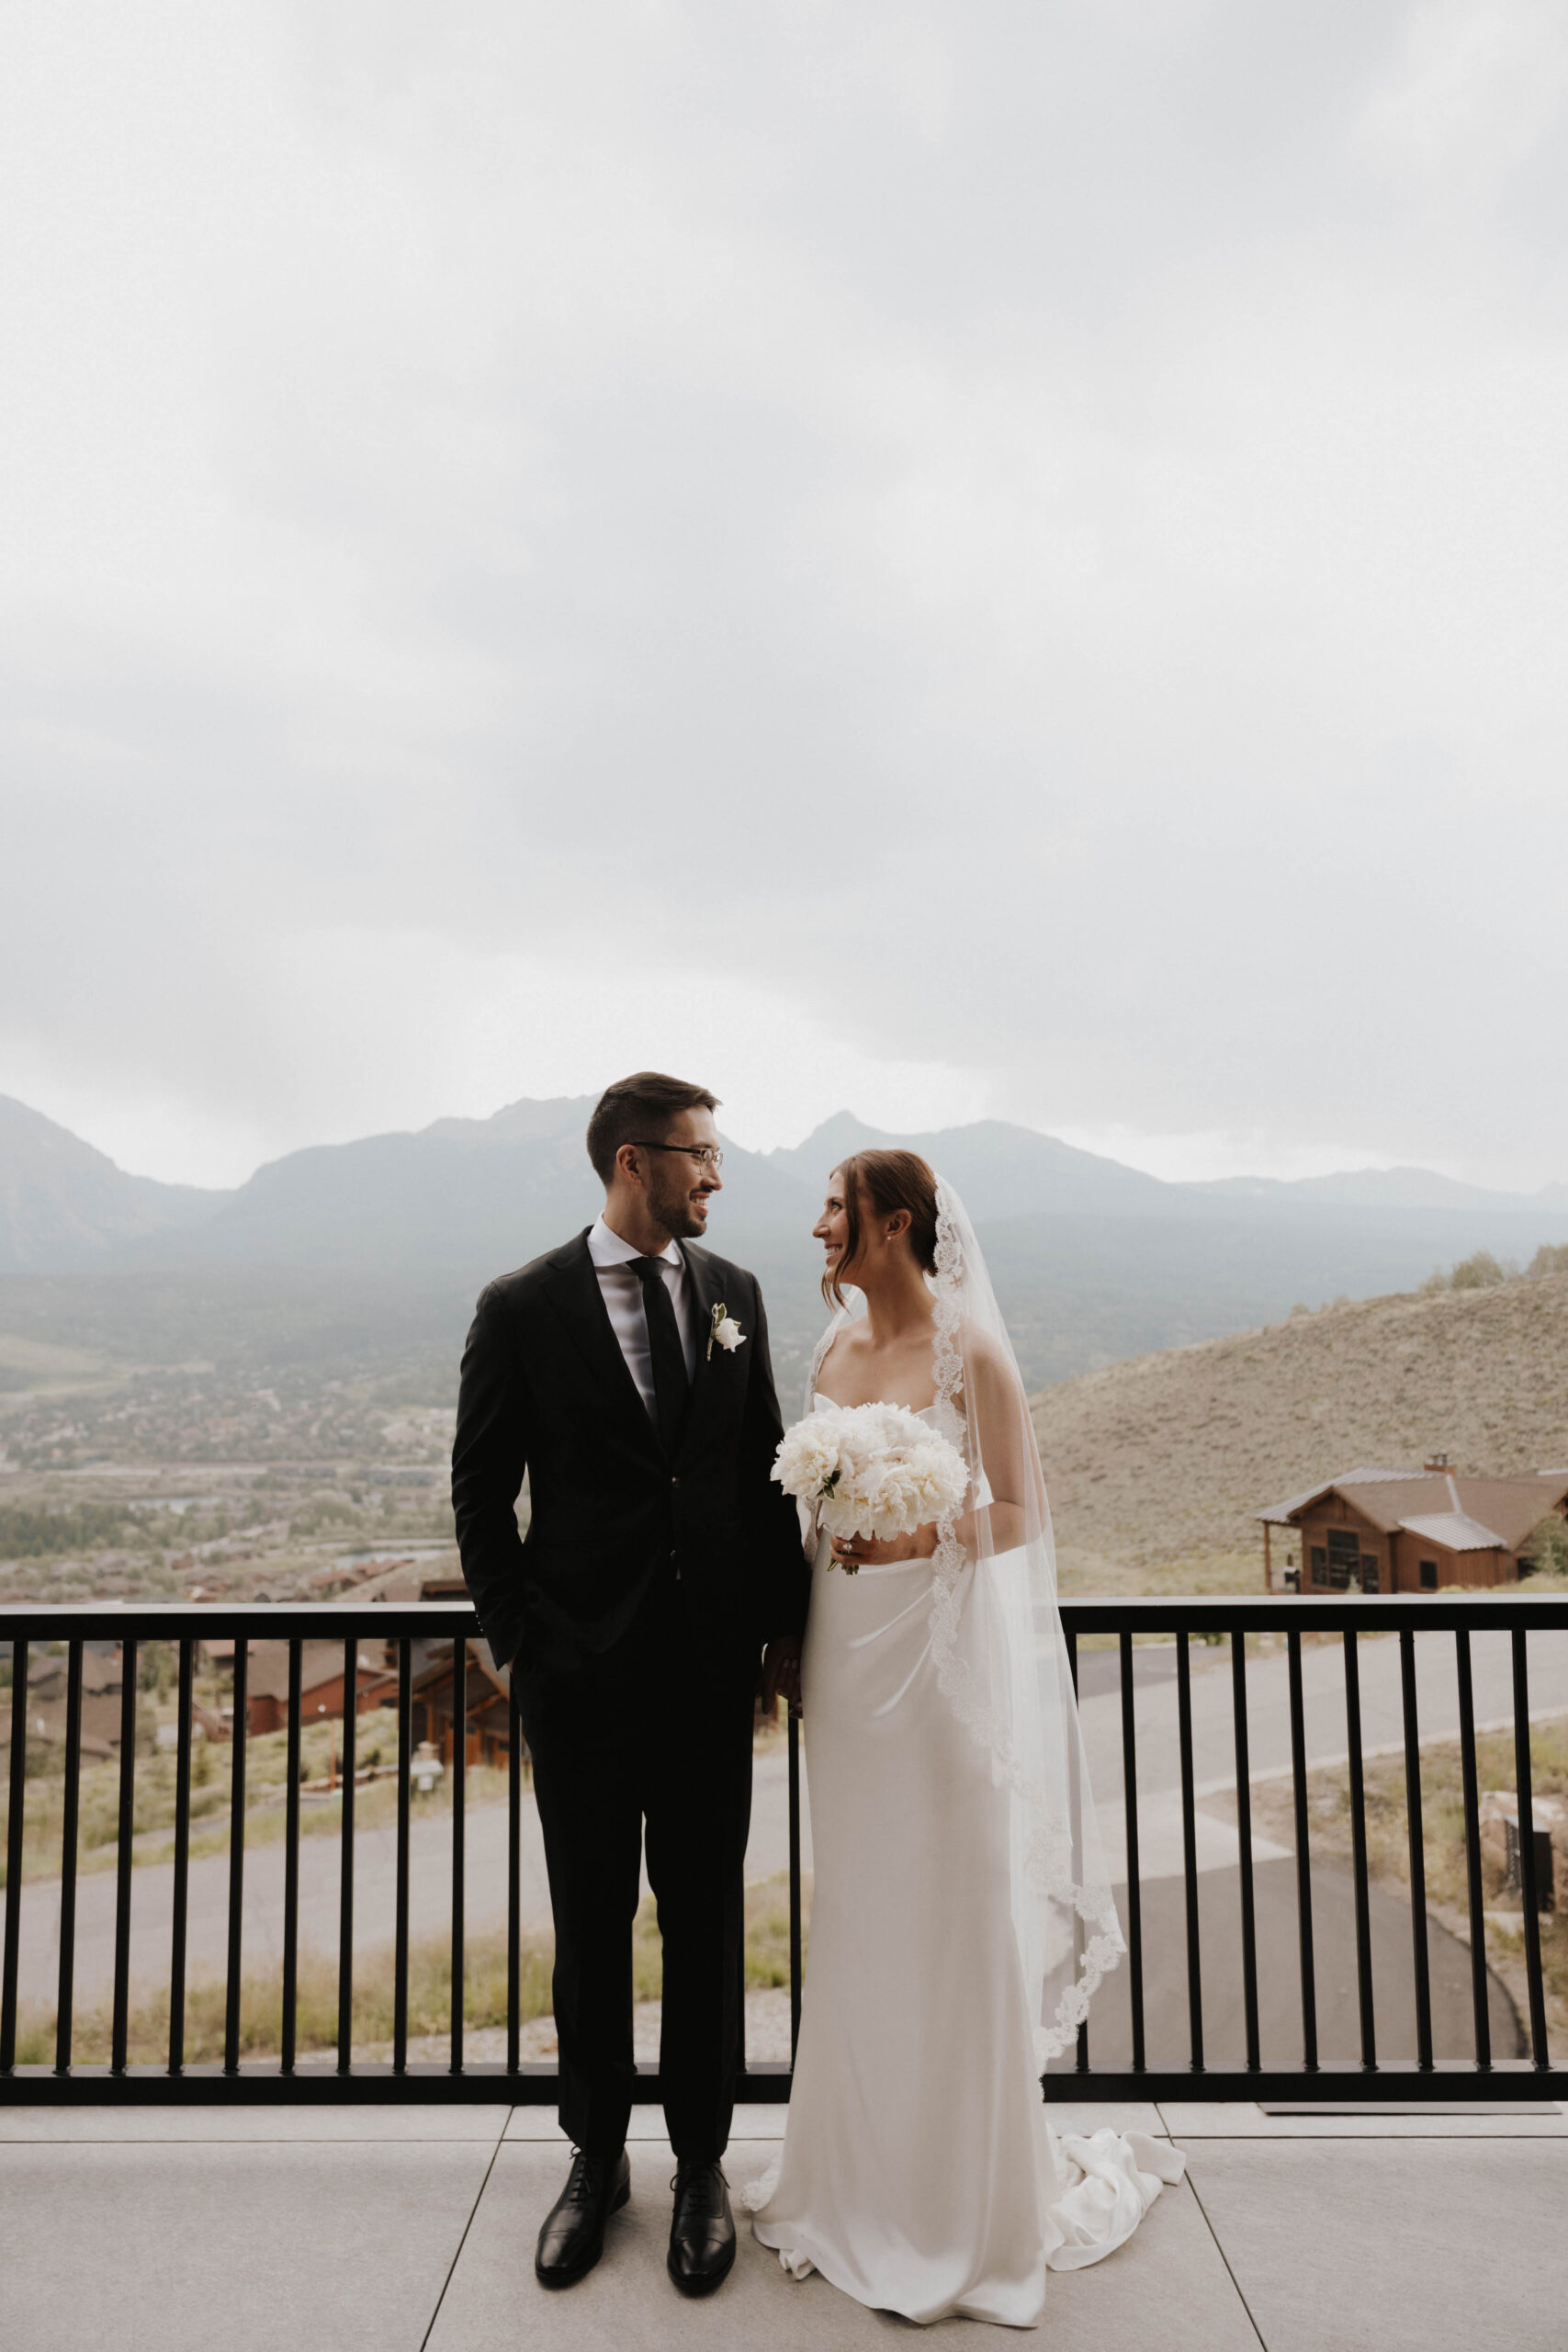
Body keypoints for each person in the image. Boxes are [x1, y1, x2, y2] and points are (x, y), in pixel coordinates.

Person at [746, 1148, 1183, 2326]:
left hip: (934, 1662)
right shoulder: (833, 1347)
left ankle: (959, 2198)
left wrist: (913, 1538)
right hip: (843, 1654)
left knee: (946, 1897)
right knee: (860, 1901)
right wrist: (790, 1633)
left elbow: (1023, 1509)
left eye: (836, 1207)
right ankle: (852, 2174)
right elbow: (811, 1510)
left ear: (893, 1224)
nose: (819, 1226)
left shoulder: (969, 1352)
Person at [451, 1071, 808, 2298]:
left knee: (704, 1924)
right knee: (591, 1926)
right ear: (629, 1163)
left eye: (713, 1156)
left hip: (710, 1679)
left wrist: (782, 1634)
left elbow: (761, 1471)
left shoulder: (735, 1296)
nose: (715, 1176)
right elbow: (479, 1494)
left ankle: (698, 2168)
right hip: (583, 1684)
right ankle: (592, 2165)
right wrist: (522, 1643)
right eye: (697, 1155)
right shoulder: (521, 1307)